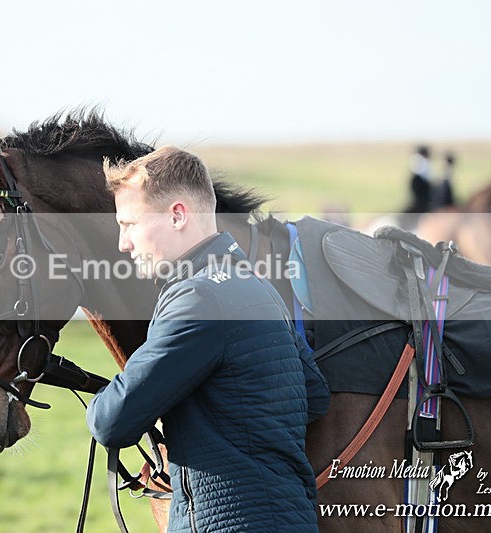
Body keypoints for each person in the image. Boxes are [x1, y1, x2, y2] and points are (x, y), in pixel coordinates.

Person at [86, 146, 330, 532]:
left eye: (130, 224)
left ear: (177, 214)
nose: (123, 243)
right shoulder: (260, 287)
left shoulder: (196, 299)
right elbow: (314, 396)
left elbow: (111, 420)